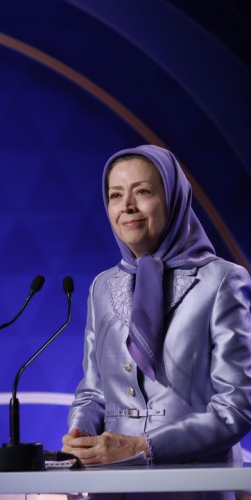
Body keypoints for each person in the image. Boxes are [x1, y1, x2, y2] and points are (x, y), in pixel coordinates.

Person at [62, 145, 251, 474]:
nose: (127, 207)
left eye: (143, 191)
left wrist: (142, 447)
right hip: (112, 487)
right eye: (115, 195)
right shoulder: (102, 287)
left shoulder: (223, 280)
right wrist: (81, 436)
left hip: (193, 485)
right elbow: (92, 391)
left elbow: (237, 406)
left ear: (173, 198)